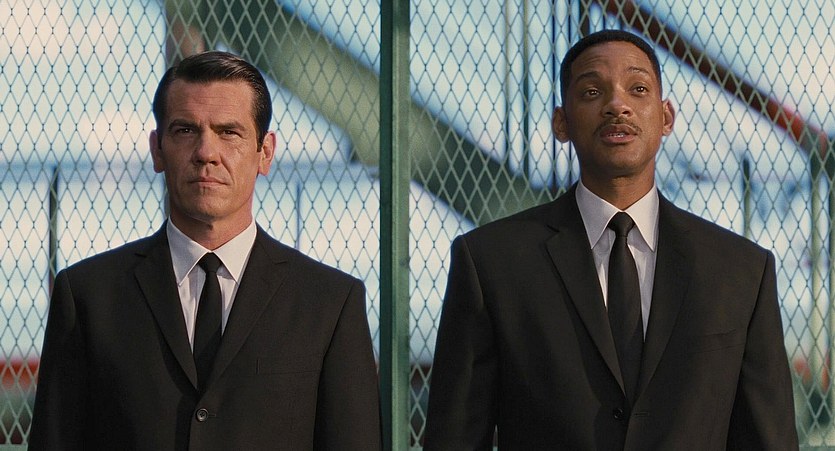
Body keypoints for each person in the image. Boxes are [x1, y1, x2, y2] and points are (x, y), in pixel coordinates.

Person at [424, 30, 798, 450]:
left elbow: (769, 439)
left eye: (638, 89)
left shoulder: (741, 271)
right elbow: (455, 438)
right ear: (561, 123)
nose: (617, 105)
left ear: (666, 117)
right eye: (592, 91)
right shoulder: (491, 262)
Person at [29, 51, 382, 450]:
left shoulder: (329, 304)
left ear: (265, 152)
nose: (206, 153)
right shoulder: (88, 296)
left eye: (229, 132)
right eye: (185, 130)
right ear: (157, 149)